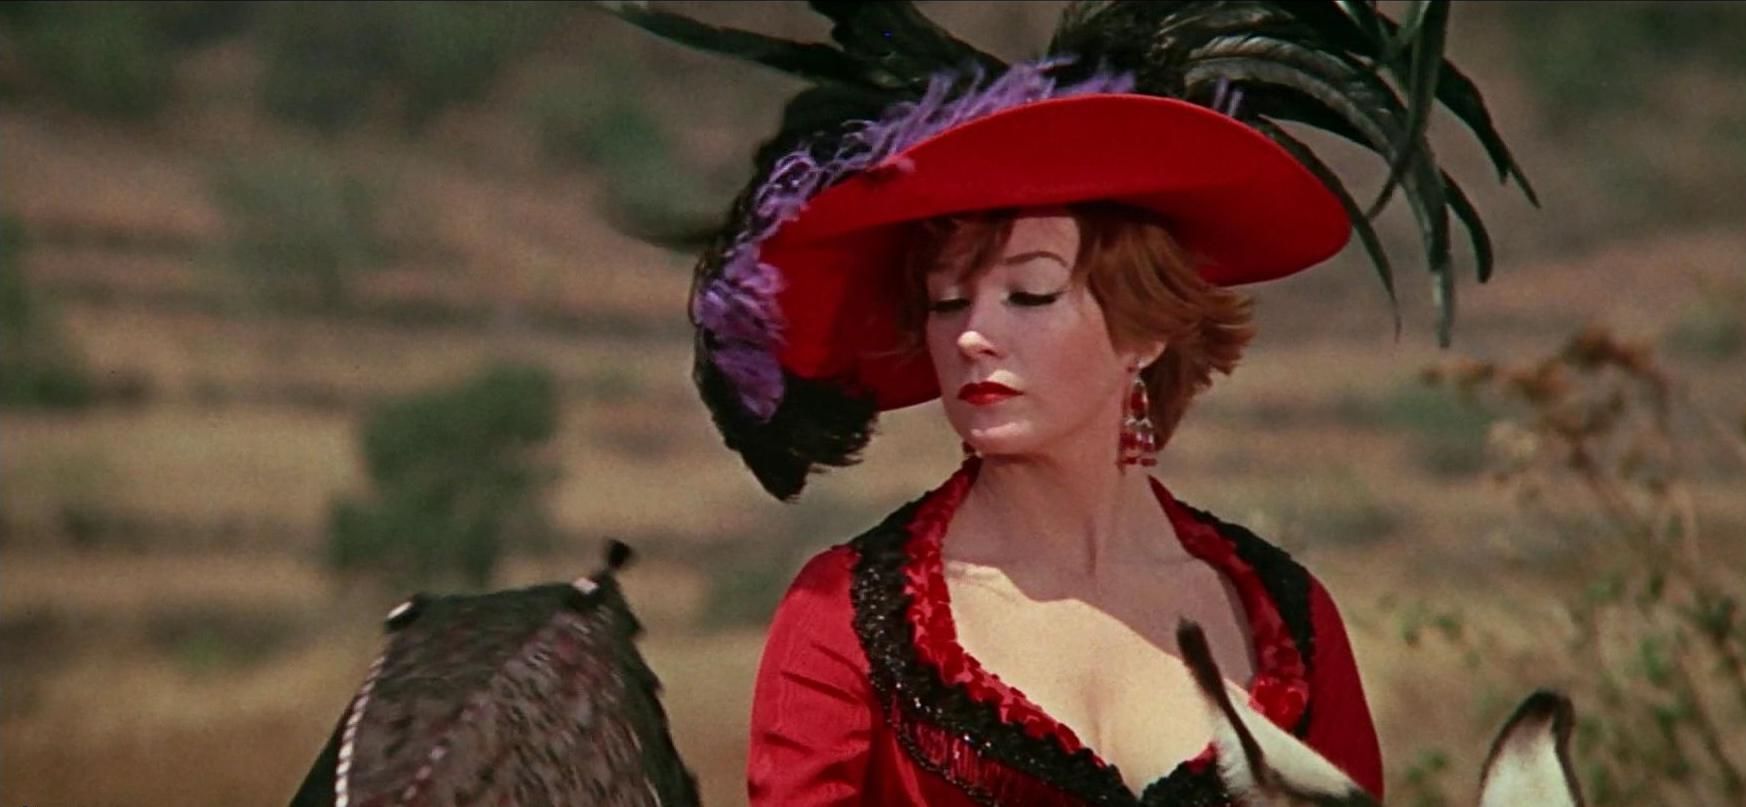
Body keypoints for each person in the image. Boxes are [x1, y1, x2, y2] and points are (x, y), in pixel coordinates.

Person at [607, 3, 1531, 804]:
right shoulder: (846, 618)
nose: (974, 335)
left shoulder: (1290, 622)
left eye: (1031, 293)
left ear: (1144, 328)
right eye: (947, 302)